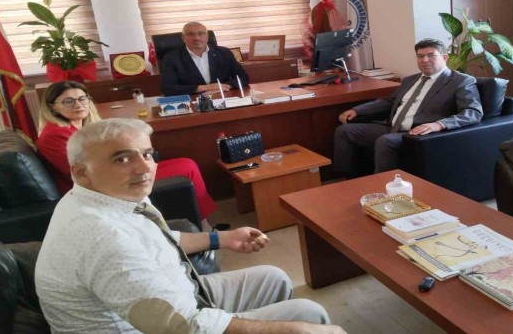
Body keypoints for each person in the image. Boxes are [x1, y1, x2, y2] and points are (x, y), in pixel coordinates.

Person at [35, 118, 344, 334]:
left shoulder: (107, 196)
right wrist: (295, 330)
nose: (144, 168)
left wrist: (223, 238)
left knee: (273, 277)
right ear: (81, 172)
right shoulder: (102, 235)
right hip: (160, 326)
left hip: (178, 291)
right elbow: (180, 326)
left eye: (147, 154)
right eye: (122, 159)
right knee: (308, 315)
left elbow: (158, 238)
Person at [36, 80, 217, 227]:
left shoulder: (78, 127)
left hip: (116, 172)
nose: (78, 105)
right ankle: (204, 224)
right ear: (53, 107)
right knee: (186, 167)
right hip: (100, 186)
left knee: (184, 163)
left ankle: (203, 221)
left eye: (83, 99)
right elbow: (81, 174)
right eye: (68, 101)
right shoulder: (54, 135)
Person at [333, 38, 483, 175]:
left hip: (420, 132)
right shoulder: (410, 80)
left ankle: (383, 186)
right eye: (420, 56)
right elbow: (389, 101)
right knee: (344, 131)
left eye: (431, 55)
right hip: (392, 127)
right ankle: (347, 179)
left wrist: (439, 124)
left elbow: (473, 112)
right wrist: (357, 110)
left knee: (385, 141)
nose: (424, 60)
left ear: (444, 57)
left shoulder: (461, 81)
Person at [160, 22, 249, 96]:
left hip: (222, 95)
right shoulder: (171, 58)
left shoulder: (224, 53)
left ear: (207, 37)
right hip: (192, 100)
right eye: (191, 34)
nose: (197, 38)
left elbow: (243, 77)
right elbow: (168, 88)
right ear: (183, 38)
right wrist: (205, 88)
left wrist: (223, 87)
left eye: (201, 33)